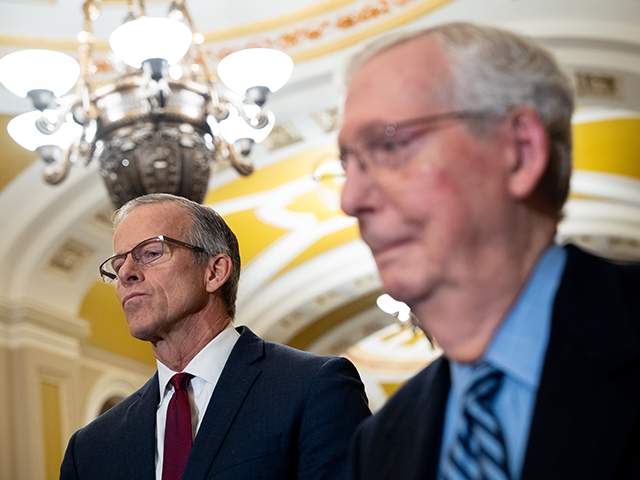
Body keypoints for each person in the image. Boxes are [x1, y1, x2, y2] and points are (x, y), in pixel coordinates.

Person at [339, 22, 640, 480]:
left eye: (390, 144)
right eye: (348, 163)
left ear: (520, 149)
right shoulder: (379, 443)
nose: (350, 200)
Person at [60, 193, 371, 480]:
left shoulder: (315, 387)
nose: (126, 273)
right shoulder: (89, 447)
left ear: (214, 272)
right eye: (118, 264)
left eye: (151, 253)